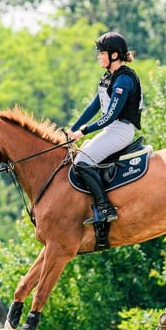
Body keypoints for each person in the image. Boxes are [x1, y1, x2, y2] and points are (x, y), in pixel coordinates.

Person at [67, 31, 144, 225]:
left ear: (115, 55)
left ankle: (105, 208)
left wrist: (82, 131)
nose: (98, 56)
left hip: (121, 131)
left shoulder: (123, 80)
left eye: (102, 53)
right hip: (112, 130)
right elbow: (93, 107)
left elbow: (110, 117)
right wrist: (71, 129)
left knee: (82, 162)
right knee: (79, 158)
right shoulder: (108, 77)